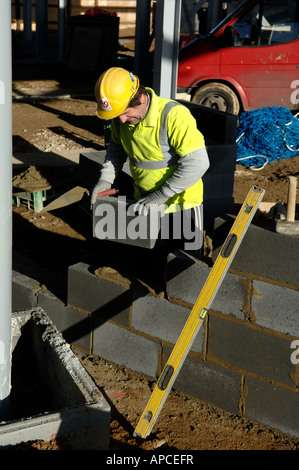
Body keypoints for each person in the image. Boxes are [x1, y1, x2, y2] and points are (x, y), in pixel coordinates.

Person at [91, 66, 210, 249]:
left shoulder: (173, 115)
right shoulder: (120, 120)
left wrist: (161, 195)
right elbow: (117, 149)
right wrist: (105, 179)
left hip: (182, 206)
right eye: (117, 115)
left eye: (124, 112)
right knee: (152, 264)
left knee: (185, 269)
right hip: (145, 202)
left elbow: (198, 163)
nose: (121, 120)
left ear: (141, 98)